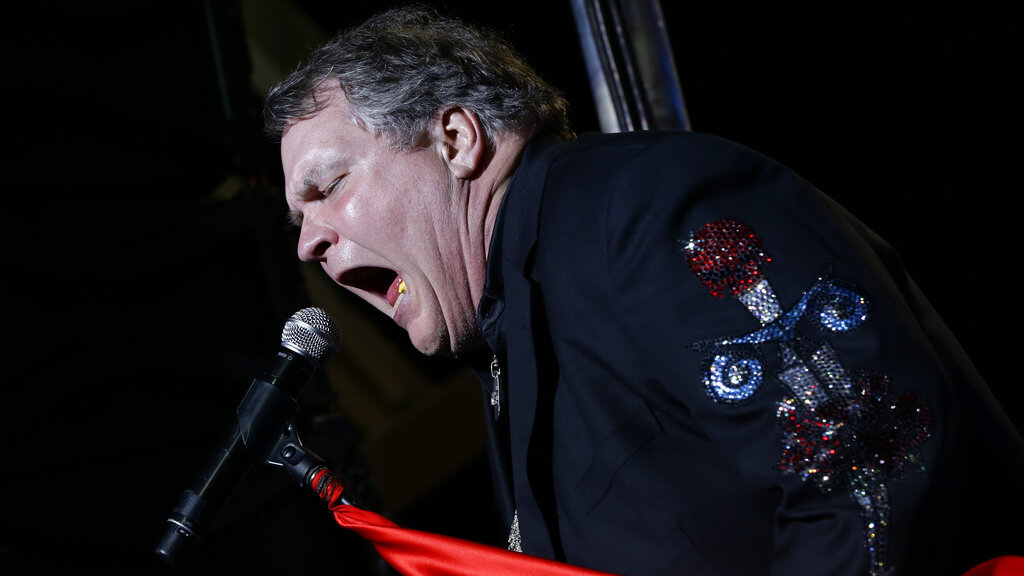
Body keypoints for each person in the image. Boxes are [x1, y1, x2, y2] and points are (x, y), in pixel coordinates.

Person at [262, 5, 1024, 576]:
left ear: (456, 140)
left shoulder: (637, 204)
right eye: (299, 219)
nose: (308, 241)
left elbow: (868, 458)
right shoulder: (511, 337)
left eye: (326, 187)